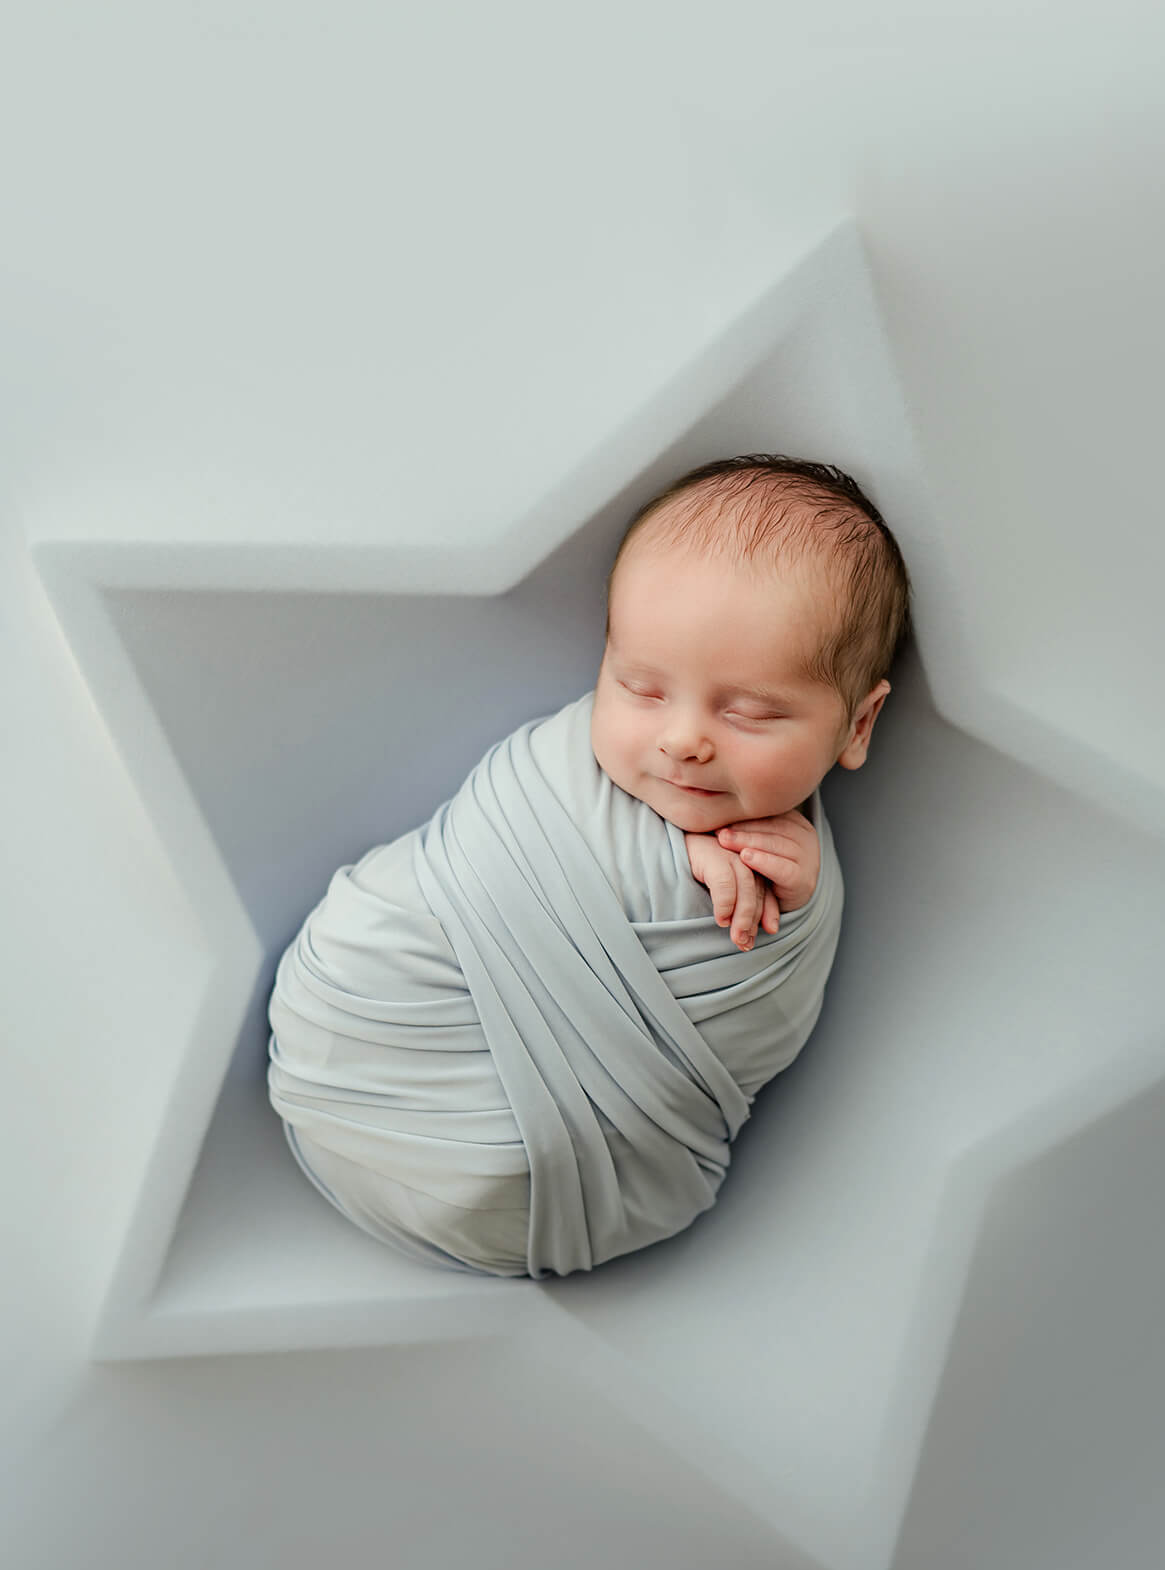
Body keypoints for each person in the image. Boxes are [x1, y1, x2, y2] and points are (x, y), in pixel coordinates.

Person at [266, 455, 910, 1279]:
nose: (683, 739)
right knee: (364, 933)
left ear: (859, 725)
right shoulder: (557, 777)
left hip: (566, 1185)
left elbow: (766, 1002)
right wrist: (666, 854)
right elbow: (501, 847)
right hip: (370, 1019)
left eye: (749, 712)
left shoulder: (796, 868)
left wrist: (799, 889)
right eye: (641, 688)